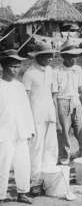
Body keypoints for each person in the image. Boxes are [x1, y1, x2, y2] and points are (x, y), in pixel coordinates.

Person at [22, 42, 58, 195]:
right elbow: (24, 99)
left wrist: (55, 114)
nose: (50, 58)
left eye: (51, 55)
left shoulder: (51, 71)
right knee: (36, 149)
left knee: (50, 148)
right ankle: (35, 181)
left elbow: (54, 93)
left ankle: (48, 178)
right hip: (35, 116)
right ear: (39, 56)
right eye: (47, 55)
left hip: (49, 114)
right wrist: (26, 121)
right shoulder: (29, 73)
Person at [0, 50, 34, 204]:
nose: (15, 69)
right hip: (4, 131)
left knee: (23, 162)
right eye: (12, 66)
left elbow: (26, 109)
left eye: (18, 66)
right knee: (3, 163)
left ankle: (23, 192)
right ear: (4, 66)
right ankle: (1, 194)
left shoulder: (20, 86)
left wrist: (30, 129)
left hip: (21, 131)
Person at [55, 40, 82, 165]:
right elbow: (54, 95)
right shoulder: (57, 71)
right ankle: (64, 159)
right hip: (62, 101)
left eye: (75, 56)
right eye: (71, 56)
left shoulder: (78, 69)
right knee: (64, 133)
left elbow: (81, 92)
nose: (74, 59)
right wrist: (56, 114)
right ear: (64, 57)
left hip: (76, 103)